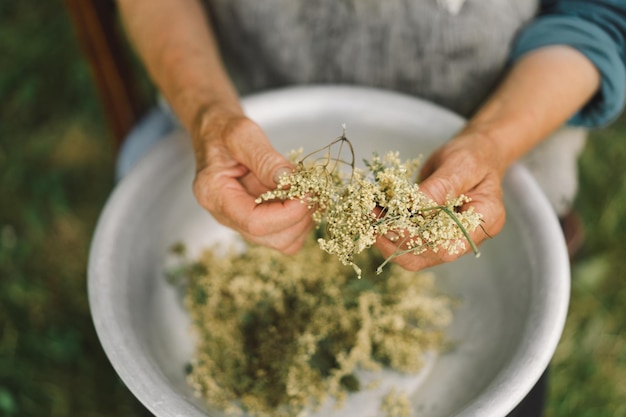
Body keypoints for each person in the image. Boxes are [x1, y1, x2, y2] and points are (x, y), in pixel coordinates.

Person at [114, 1, 625, 414]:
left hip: (503, 119)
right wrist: (207, 111)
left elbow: (598, 16)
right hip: (245, 105)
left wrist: (492, 141)